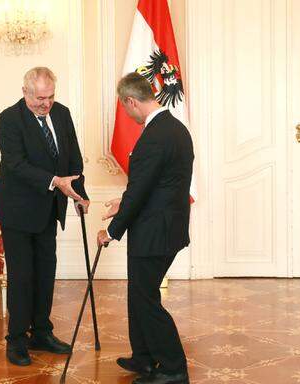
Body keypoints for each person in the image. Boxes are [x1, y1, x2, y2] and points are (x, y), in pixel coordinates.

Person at [98, 72, 193, 384]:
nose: (126, 113)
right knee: (139, 293)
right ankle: (144, 357)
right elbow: (154, 185)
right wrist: (120, 202)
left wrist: (112, 231)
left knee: (145, 299)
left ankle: (173, 367)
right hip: (163, 226)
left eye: (125, 107)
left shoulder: (155, 136)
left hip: (155, 231)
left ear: (131, 101)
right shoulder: (175, 128)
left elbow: (140, 191)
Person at [0, 66, 90, 366]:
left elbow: (72, 156)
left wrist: (79, 193)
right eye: (39, 98)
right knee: (22, 277)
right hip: (18, 212)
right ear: (25, 92)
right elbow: (16, 164)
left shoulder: (61, 113)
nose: (45, 103)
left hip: (49, 210)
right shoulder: (9, 119)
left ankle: (41, 332)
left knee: (46, 273)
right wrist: (55, 182)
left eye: (49, 97)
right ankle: (16, 340)